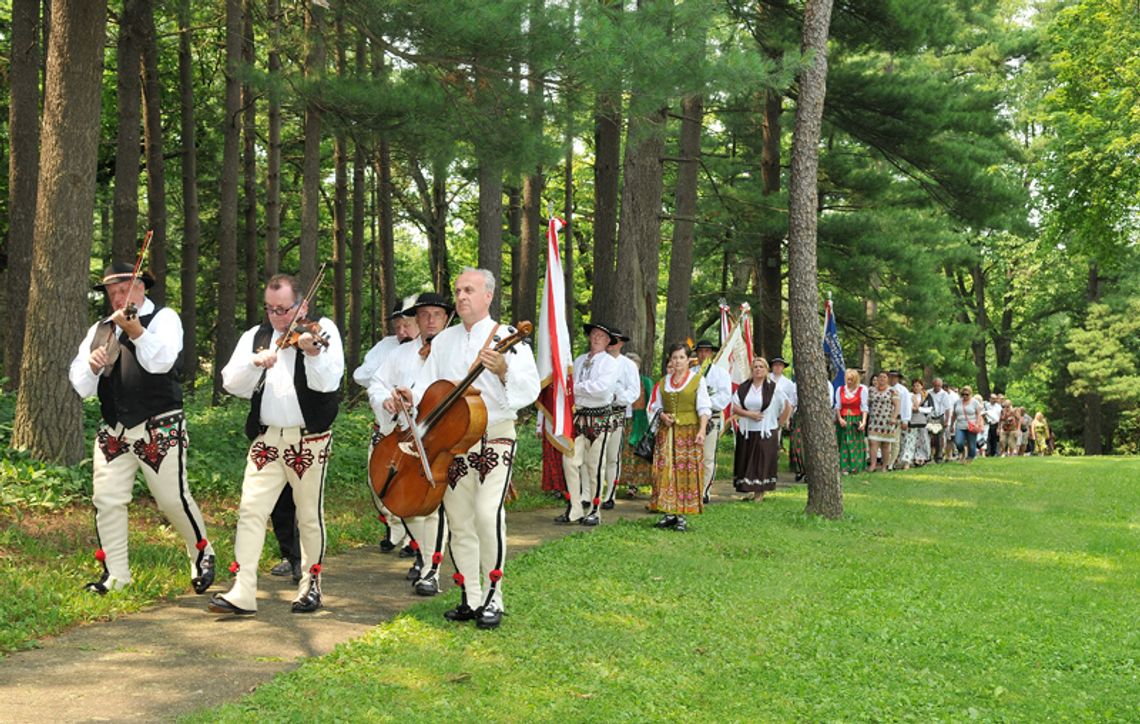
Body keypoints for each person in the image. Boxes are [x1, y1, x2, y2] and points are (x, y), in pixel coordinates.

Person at [399, 268, 540, 629]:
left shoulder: (508, 336)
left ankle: (495, 596)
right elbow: (429, 386)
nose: (461, 296)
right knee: (460, 521)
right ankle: (471, 596)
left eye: (469, 290)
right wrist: (410, 396)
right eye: (458, 290)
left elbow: (530, 389)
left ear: (488, 296)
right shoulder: (443, 342)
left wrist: (503, 368)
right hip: (454, 443)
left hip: (494, 435)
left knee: (487, 513)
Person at [69, 261, 215, 595]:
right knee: (106, 500)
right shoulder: (99, 329)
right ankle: (116, 576)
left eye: (124, 289)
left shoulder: (164, 318)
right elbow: (81, 385)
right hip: (114, 430)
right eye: (112, 292)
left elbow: (161, 362)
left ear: (141, 287)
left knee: (171, 499)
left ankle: (203, 553)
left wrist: (135, 331)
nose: (118, 297)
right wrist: (92, 367)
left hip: (158, 426)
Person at [209, 273, 344, 616]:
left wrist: (311, 352)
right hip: (266, 438)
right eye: (270, 309)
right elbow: (231, 383)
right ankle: (243, 590)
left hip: (307, 439)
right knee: (250, 510)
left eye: (283, 310)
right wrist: (256, 363)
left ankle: (310, 585)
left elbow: (328, 382)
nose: (277, 317)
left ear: (303, 305)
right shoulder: (257, 336)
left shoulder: (321, 329)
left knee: (309, 515)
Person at [370, 292, 455, 596]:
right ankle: (424, 552)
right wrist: (387, 401)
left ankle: (432, 569)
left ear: (447, 318)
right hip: (406, 437)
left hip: (443, 438)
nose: (430, 320)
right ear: (416, 320)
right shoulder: (400, 354)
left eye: (437, 314)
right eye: (424, 314)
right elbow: (377, 384)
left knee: (433, 506)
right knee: (402, 501)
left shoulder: (455, 351)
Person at [352, 295, 418, 555]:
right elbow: (361, 375)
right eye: (398, 325)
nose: (401, 331)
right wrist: (386, 375)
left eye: (407, 325)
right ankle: (394, 526)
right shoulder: (386, 346)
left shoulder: (429, 349)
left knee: (411, 486)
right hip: (385, 428)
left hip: (414, 431)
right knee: (378, 483)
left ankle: (416, 540)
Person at [558, 322, 620, 526]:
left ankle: (595, 509)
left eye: (601, 336)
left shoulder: (610, 363)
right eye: (594, 334)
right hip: (579, 418)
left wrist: (576, 388)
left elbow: (602, 389)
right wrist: (578, 389)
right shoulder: (579, 360)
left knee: (595, 466)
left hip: (600, 418)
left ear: (608, 341)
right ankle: (575, 508)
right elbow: (568, 387)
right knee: (570, 462)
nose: (596, 338)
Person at [647, 343, 711, 531]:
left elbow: (704, 407)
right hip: (667, 433)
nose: (677, 361)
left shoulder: (697, 380)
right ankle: (668, 512)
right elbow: (654, 405)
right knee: (666, 469)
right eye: (674, 357)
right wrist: (662, 416)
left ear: (688, 360)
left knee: (685, 471)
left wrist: (701, 430)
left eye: (681, 357)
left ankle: (682, 515)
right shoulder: (663, 382)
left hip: (688, 432)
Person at [733, 356, 792, 498]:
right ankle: (749, 490)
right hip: (747, 430)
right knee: (747, 460)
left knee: (761, 462)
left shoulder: (773, 388)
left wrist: (778, 424)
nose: (758, 369)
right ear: (751, 370)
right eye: (755, 367)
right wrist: (749, 414)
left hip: (766, 431)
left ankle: (759, 493)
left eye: (761, 367)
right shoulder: (744, 387)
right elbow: (735, 406)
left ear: (766, 370)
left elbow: (787, 406)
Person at [601, 329, 642, 510]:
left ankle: (610, 493)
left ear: (621, 343)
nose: (612, 344)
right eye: (610, 340)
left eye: (616, 341)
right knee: (596, 457)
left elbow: (634, 391)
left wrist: (618, 396)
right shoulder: (597, 360)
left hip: (617, 412)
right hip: (597, 412)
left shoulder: (628, 365)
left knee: (612, 455)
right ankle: (593, 492)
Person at [694, 339, 733, 503]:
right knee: (693, 456)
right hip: (693, 418)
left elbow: (725, 397)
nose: (704, 355)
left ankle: (705, 490)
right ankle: (692, 488)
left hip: (712, 417)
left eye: (707, 351)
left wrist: (705, 401)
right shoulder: (691, 373)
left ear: (712, 354)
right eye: (701, 351)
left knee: (708, 456)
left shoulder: (721, 373)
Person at [619, 352, 654, 496]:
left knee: (640, 452)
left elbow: (652, 403)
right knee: (625, 452)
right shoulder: (620, 382)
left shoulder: (645, 382)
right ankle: (626, 483)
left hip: (642, 422)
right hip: (626, 421)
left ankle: (635, 484)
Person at [769, 357, 800, 479]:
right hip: (763, 414)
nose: (777, 367)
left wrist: (787, 418)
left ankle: (772, 468)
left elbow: (791, 402)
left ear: (783, 367)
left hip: (778, 416)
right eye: (775, 365)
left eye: (780, 365)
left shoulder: (788, 384)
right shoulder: (766, 378)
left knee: (774, 442)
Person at [834, 368, 868, 474]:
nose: (849, 382)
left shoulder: (862, 389)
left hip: (855, 419)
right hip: (843, 419)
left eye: (851, 380)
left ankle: (855, 467)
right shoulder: (840, 389)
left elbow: (864, 407)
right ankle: (844, 467)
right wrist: (839, 419)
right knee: (844, 442)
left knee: (855, 443)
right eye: (848, 379)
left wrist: (863, 422)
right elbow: (838, 406)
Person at [866, 372, 900, 473]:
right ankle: (873, 465)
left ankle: (884, 466)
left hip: (887, 421)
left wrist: (894, 417)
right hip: (874, 420)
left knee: (885, 444)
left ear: (888, 379)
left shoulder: (892, 391)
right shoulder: (871, 390)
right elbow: (867, 403)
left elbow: (897, 406)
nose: (882, 379)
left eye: (884, 377)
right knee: (873, 442)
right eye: (880, 377)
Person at [950, 385, 984, 464]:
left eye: (967, 394)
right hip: (960, 425)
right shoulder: (957, 402)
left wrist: (977, 424)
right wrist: (951, 425)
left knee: (972, 445)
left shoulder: (975, 402)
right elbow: (954, 414)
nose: (965, 396)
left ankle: (970, 458)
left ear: (970, 394)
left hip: (971, 426)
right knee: (958, 442)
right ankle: (962, 452)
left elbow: (979, 414)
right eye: (963, 394)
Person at [887, 370, 911, 470]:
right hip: (885, 417)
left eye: (895, 377)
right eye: (891, 376)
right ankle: (885, 460)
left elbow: (906, 405)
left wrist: (905, 420)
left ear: (898, 378)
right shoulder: (885, 388)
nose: (892, 378)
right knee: (885, 441)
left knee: (895, 441)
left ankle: (891, 463)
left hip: (897, 417)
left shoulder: (902, 390)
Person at [908, 379, 931, 466]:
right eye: (914, 386)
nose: (916, 387)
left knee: (923, 439)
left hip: (922, 419)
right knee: (914, 439)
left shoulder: (926, 396)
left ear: (922, 386)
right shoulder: (910, 395)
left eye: (918, 385)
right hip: (912, 419)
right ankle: (914, 457)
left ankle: (923, 457)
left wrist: (920, 408)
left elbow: (930, 407)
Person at [928, 378, 949, 463]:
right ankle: (928, 455)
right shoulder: (928, 392)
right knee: (928, 436)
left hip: (940, 417)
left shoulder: (944, 394)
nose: (937, 387)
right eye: (935, 385)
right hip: (930, 416)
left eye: (939, 386)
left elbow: (948, 408)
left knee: (939, 438)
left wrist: (947, 420)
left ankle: (939, 456)